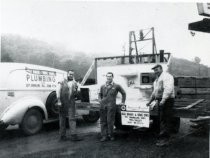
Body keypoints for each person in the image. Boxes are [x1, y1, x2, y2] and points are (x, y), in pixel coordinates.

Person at [146, 64, 175, 147]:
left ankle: (165, 140)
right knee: (161, 119)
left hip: (167, 101)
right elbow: (155, 92)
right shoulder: (157, 80)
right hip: (160, 101)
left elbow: (168, 89)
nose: (155, 71)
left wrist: (163, 100)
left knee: (165, 120)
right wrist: (150, 101)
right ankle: (162, 137)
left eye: (157, 69)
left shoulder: (167, 76)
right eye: (154, 70)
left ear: (161, 69)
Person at [98, 72, 126, 142]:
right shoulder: (102, 86)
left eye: (110, 76)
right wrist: (100, 101)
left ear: (112, 77)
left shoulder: (116, 86)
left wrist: (123, 102)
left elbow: (123, 93)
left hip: (111, 106)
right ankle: (104, 136)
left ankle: (111, 135)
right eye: (107, 76)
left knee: (110, 121)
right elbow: (99, 94)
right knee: (103, 121)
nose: (108, 78)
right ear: (106, 77)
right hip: (103, 106)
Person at [56, 70, 82, 141]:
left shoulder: (75, 83)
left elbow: (77, 93)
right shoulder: (61, 81)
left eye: (72, 74)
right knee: (62, 119)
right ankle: (62, 136)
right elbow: (57, 91)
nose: (71, 75)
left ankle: (74, 136)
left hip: (71, 102)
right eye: (70, 74)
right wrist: (58, 100)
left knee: (72, 118)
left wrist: (78, 89)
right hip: (62, 102)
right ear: (67, 74)